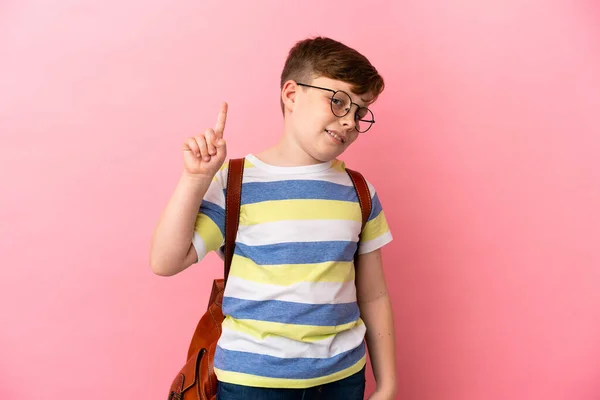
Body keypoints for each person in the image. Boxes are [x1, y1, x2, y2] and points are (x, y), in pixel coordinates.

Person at [150, 36, 397, 400]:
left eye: (360, 112)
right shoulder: (235, 183)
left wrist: (388, 384)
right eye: (339, 102)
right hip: (250, 384)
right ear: (292, 94)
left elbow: (374, 295)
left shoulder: (359, 191)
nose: (349, 122)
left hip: (343, 380)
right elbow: (165, 261)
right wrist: (196, 179)